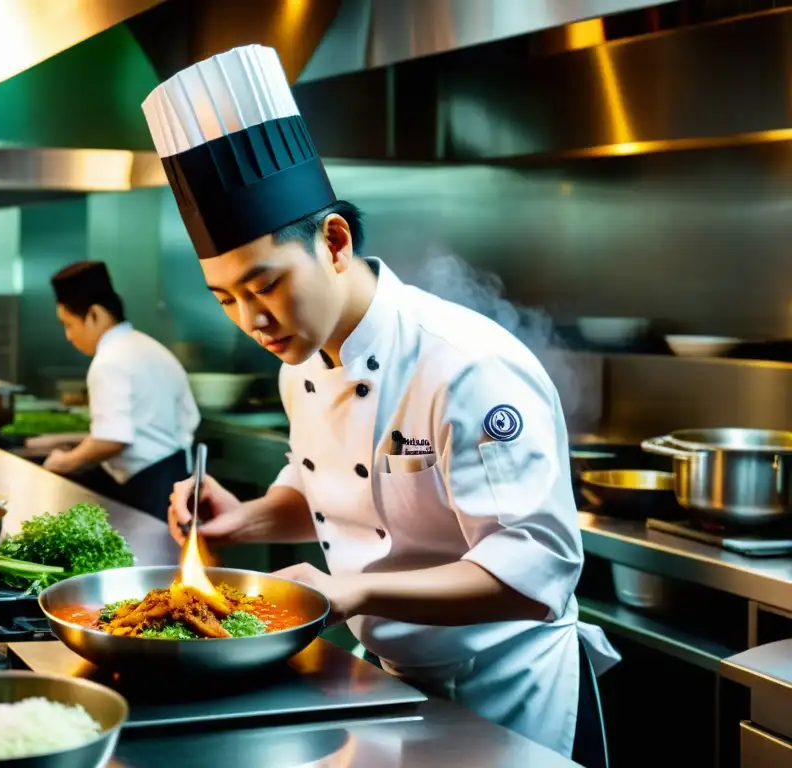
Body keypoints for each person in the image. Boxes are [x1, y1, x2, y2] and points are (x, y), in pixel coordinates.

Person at [145, 45, 620, 764]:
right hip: (387, 681)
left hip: (504, 693)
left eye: (265, 286)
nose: (252, 321)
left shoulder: (464, 365)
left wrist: (350, 593)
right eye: (227, 300)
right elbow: (339, 494)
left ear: (333, 242)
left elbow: (537, 567)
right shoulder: (300, 361)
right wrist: (246, 519)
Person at [44, 260, 200, 521]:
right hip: (175, 471)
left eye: (69, 324)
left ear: (94, 314)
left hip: (150, 484)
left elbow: (112, 438)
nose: (68, 336)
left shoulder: (109, 360)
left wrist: (65, 461)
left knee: (151, 554)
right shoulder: (146, 345)